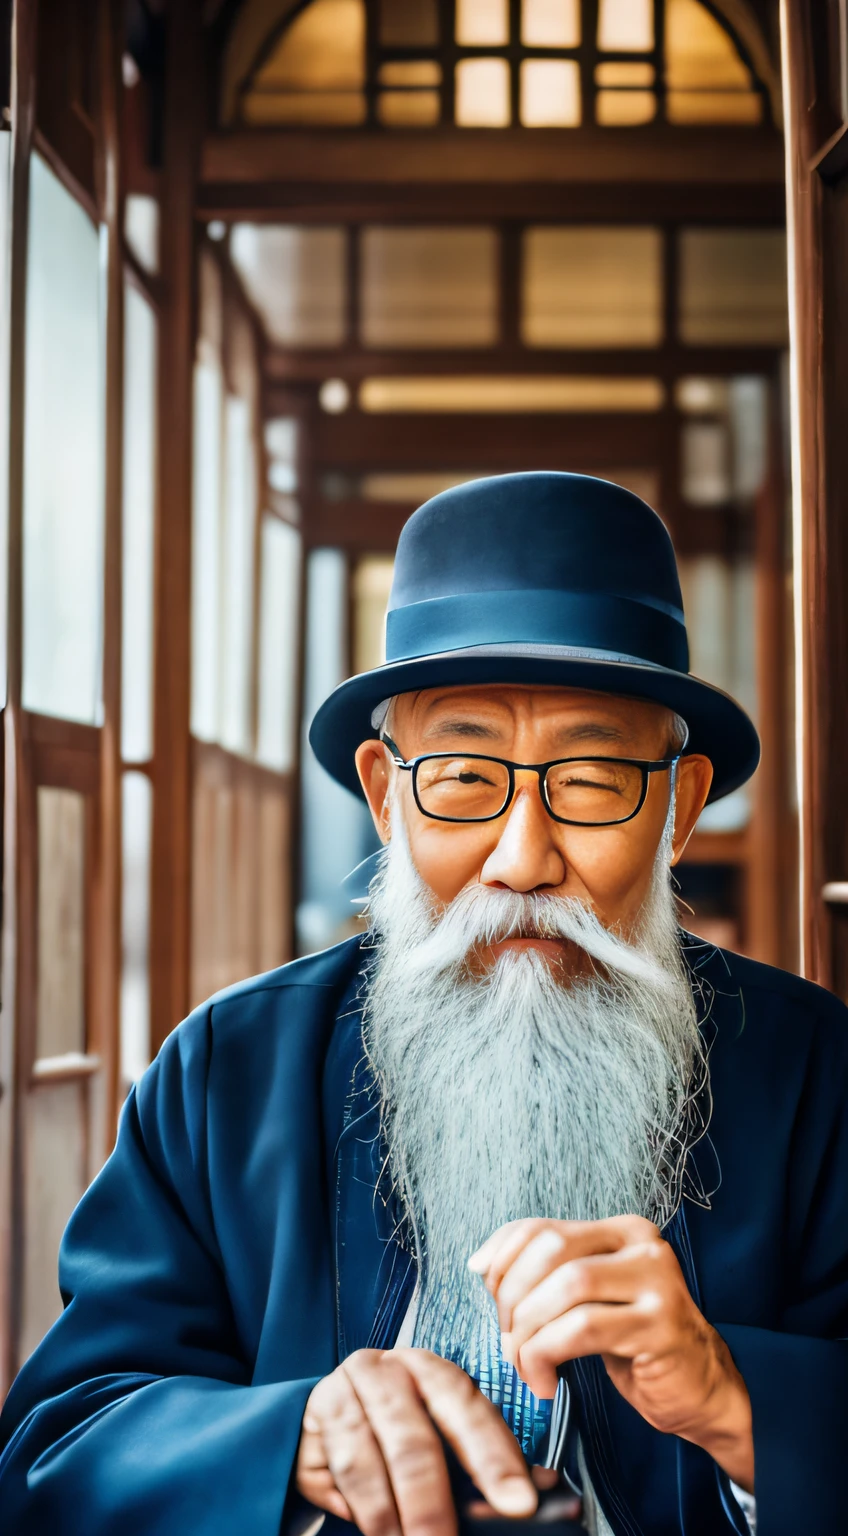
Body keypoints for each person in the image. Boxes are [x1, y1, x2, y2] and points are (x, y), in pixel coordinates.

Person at [1, 473, 847, 1536]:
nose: (522, 859)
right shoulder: (228, 1071)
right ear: (384, 793)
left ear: (676, 807)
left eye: (589, 780)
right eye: (460, 777)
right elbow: (56, 1453)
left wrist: (738, 1404)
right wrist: (289, 1443)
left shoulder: (817, 1071)